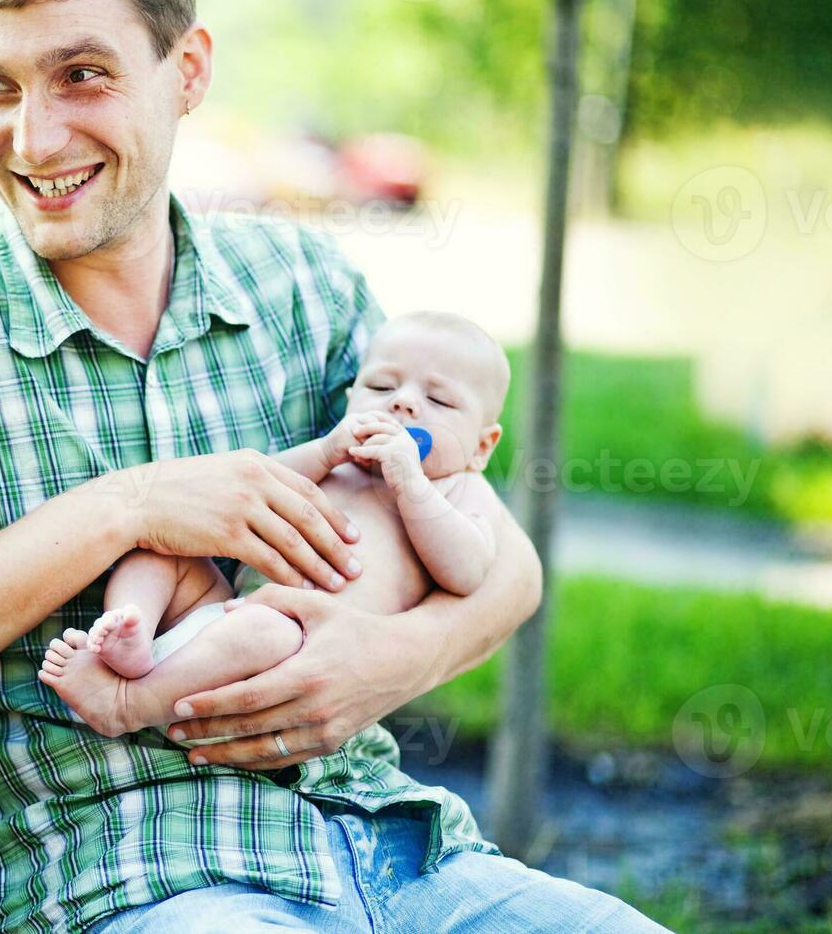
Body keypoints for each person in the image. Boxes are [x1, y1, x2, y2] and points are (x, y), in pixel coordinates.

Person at [0, 0, 667, 930]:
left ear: (187, 69)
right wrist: (129, 507)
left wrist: (396, 657)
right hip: (117, 882)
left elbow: (502, 556)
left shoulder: (300, 283)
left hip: (392, 851)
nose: (33, 136)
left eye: (82, 74)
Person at [40, 312, 512, 744]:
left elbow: (467, 571)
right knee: (163, 551)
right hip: (219, 616)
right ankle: (133, 634)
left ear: (482, 446)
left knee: (267, 629)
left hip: (289, 663)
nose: (403, 404)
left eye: (438, 399)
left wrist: (413, 487)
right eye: (382, 387)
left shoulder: (460, 492)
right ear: (351, 401)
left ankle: (126, 704)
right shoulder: (337, 462)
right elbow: (254, 487)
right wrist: (326, 451)